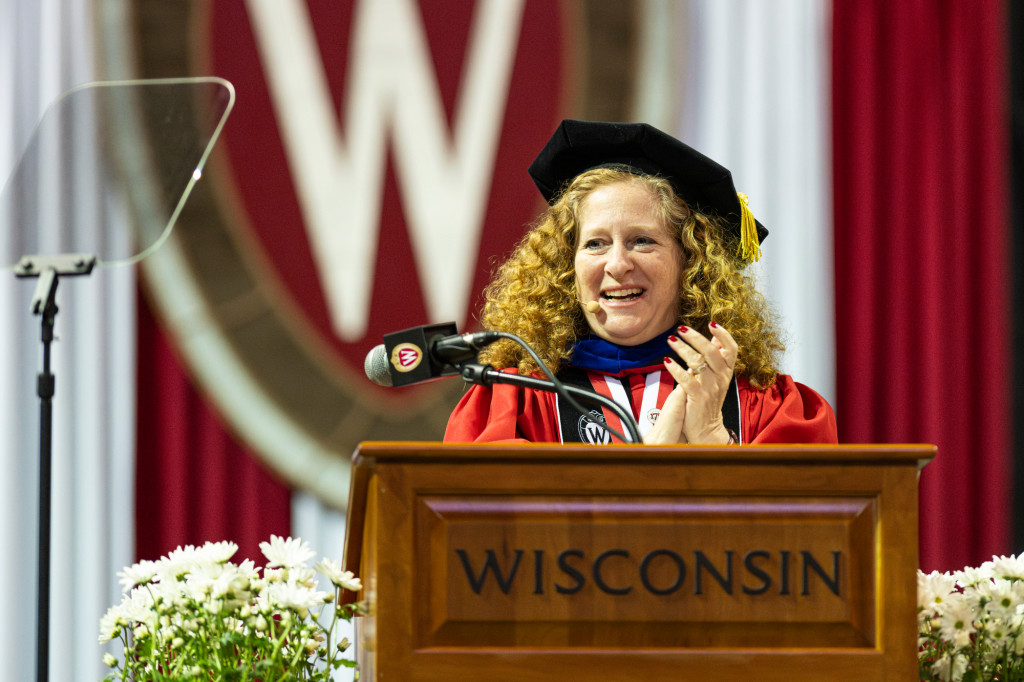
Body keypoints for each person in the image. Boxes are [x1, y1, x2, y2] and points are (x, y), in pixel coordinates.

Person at [444, 119, 837, 445]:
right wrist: (647, 470)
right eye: (595, 243)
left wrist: (714, 440)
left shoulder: (763, 405)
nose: (617, 264)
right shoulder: (515, 403)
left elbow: (809, 527)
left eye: (642, 241)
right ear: (567, 267)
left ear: (691, 263)